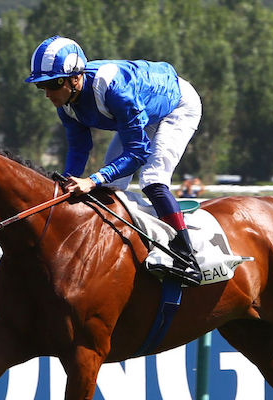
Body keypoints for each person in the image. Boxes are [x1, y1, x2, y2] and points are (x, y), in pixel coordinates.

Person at [25, 35, 202, 286]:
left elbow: (137, 153)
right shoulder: (66, 104)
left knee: (152, 179)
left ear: (76, 78)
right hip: (142, 109)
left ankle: (186, 254)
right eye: (41, 86)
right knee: (111, 187)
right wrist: (66, 182)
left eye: (53, 84)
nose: (47, 94)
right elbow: (79, 148)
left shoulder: (114, 90)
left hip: (176, 105)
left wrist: (91, 180)